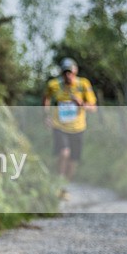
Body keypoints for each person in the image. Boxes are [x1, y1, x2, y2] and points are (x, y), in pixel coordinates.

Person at [43, 57, 97, 196]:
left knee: (73, 161)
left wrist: (81, 104)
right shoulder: (53, 85)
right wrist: (46, 115)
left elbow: (93, 107)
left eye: (70, 72)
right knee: (64, 153)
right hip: (59, 126)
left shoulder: (83, 84)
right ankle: (58, 184)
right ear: (61, 73)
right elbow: (46, 98)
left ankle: (64, 187)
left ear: (75, 71)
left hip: (78, 128)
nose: (68, 75)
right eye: (65, 72)